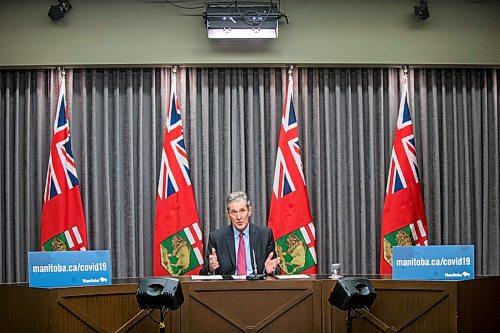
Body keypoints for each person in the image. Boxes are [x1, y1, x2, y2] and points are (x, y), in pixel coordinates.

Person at [200, 191, 281, 276]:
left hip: (257, 286)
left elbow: (276, 268)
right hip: (228, 287)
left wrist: (269, 270)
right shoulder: (216, 238)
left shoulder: (265, 235)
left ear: (249, 211)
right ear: (228, 215)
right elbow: (203, 273)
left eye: (242, 211)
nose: (239, 217)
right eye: (234, 212)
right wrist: (210, 268)